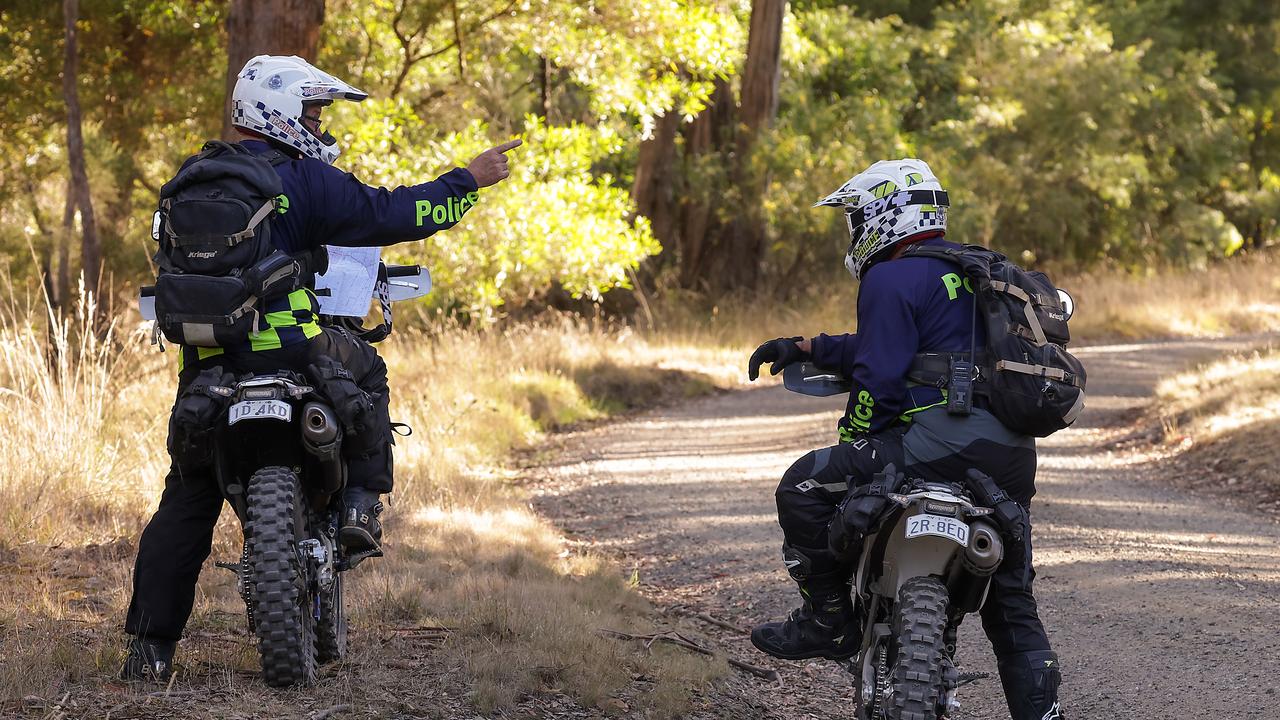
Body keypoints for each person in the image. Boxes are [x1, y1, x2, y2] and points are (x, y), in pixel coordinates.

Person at [121, 54, 519, 680]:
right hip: (295, 350)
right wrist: (466, 181)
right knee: (368, 376)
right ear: (277, 108)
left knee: (187, 503)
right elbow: (399, 216)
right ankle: (360, 506)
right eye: (311, 108)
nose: (318, 121)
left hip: (208, 368)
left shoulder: (191, 176)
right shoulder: (305, 180)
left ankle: (148, 652)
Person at [746, 159, 1063, 720]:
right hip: (1011, 461)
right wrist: (809, 347)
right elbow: (906, 346)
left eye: (856, 216)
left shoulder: (889, 278)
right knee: (1012, 602)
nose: (853, 228)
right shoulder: (982, 273)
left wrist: (854, 436)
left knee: (802, 485)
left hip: (935, 450)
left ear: (885, 214)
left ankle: (827, 620)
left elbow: (880, 378)